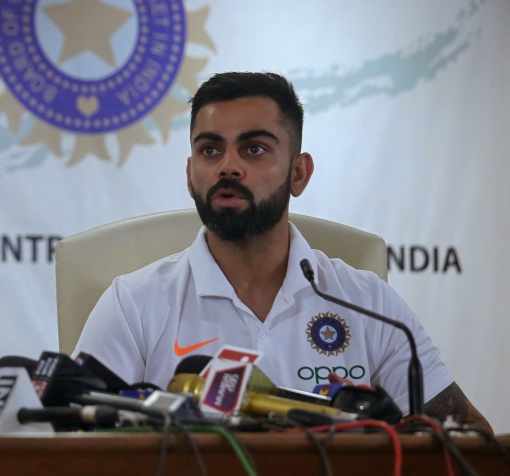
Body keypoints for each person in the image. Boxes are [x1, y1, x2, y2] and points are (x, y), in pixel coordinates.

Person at [74, 72, 490, 429]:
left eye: (254, 148)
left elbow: (467, 437)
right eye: (210, 149)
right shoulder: (133, 304)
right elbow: (70, 438)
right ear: (190, 174)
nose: (228, 167)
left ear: (298, 173)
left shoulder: (368, 304)